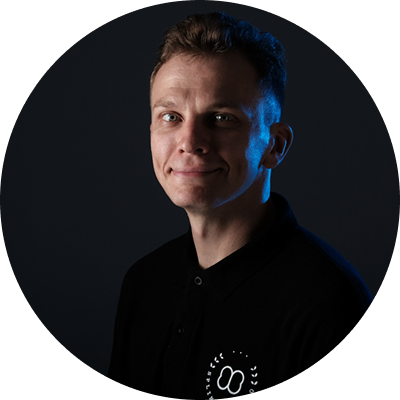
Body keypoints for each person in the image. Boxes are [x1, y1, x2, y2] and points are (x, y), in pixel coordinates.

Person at [107, 12, 373, 399]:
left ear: (274, 145)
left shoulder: (327, 304)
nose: (189, 141)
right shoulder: (143, 284)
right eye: (171, 116)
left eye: (221, 118)